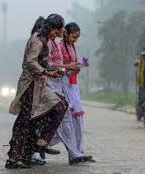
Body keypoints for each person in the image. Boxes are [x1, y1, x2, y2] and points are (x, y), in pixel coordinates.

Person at [5, 14, 68, 169]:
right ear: (51, 28)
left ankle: (39, 143)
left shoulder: (45, 41)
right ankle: (15, 158)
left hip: (39, 85)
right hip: (29, 86)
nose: (57, 35)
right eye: (56, 31)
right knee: (25, 121)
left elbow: (44, 62)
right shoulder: (37, 40)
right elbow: (31, 62)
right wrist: (46, 73)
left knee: (59, 105)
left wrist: (55, 70)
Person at [58, 22, 95, 165]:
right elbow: (56, 66)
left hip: (73, 84)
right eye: (74, 37)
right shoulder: (59, 46)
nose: (75, 40)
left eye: (77, 38)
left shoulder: (71, 46)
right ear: (65, 32)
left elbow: (72, 64)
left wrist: (80, 64)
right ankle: (74, 153)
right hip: (63, 85)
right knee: (67, 121)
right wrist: (70, 67)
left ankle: (78, 152)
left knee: (77, 119)